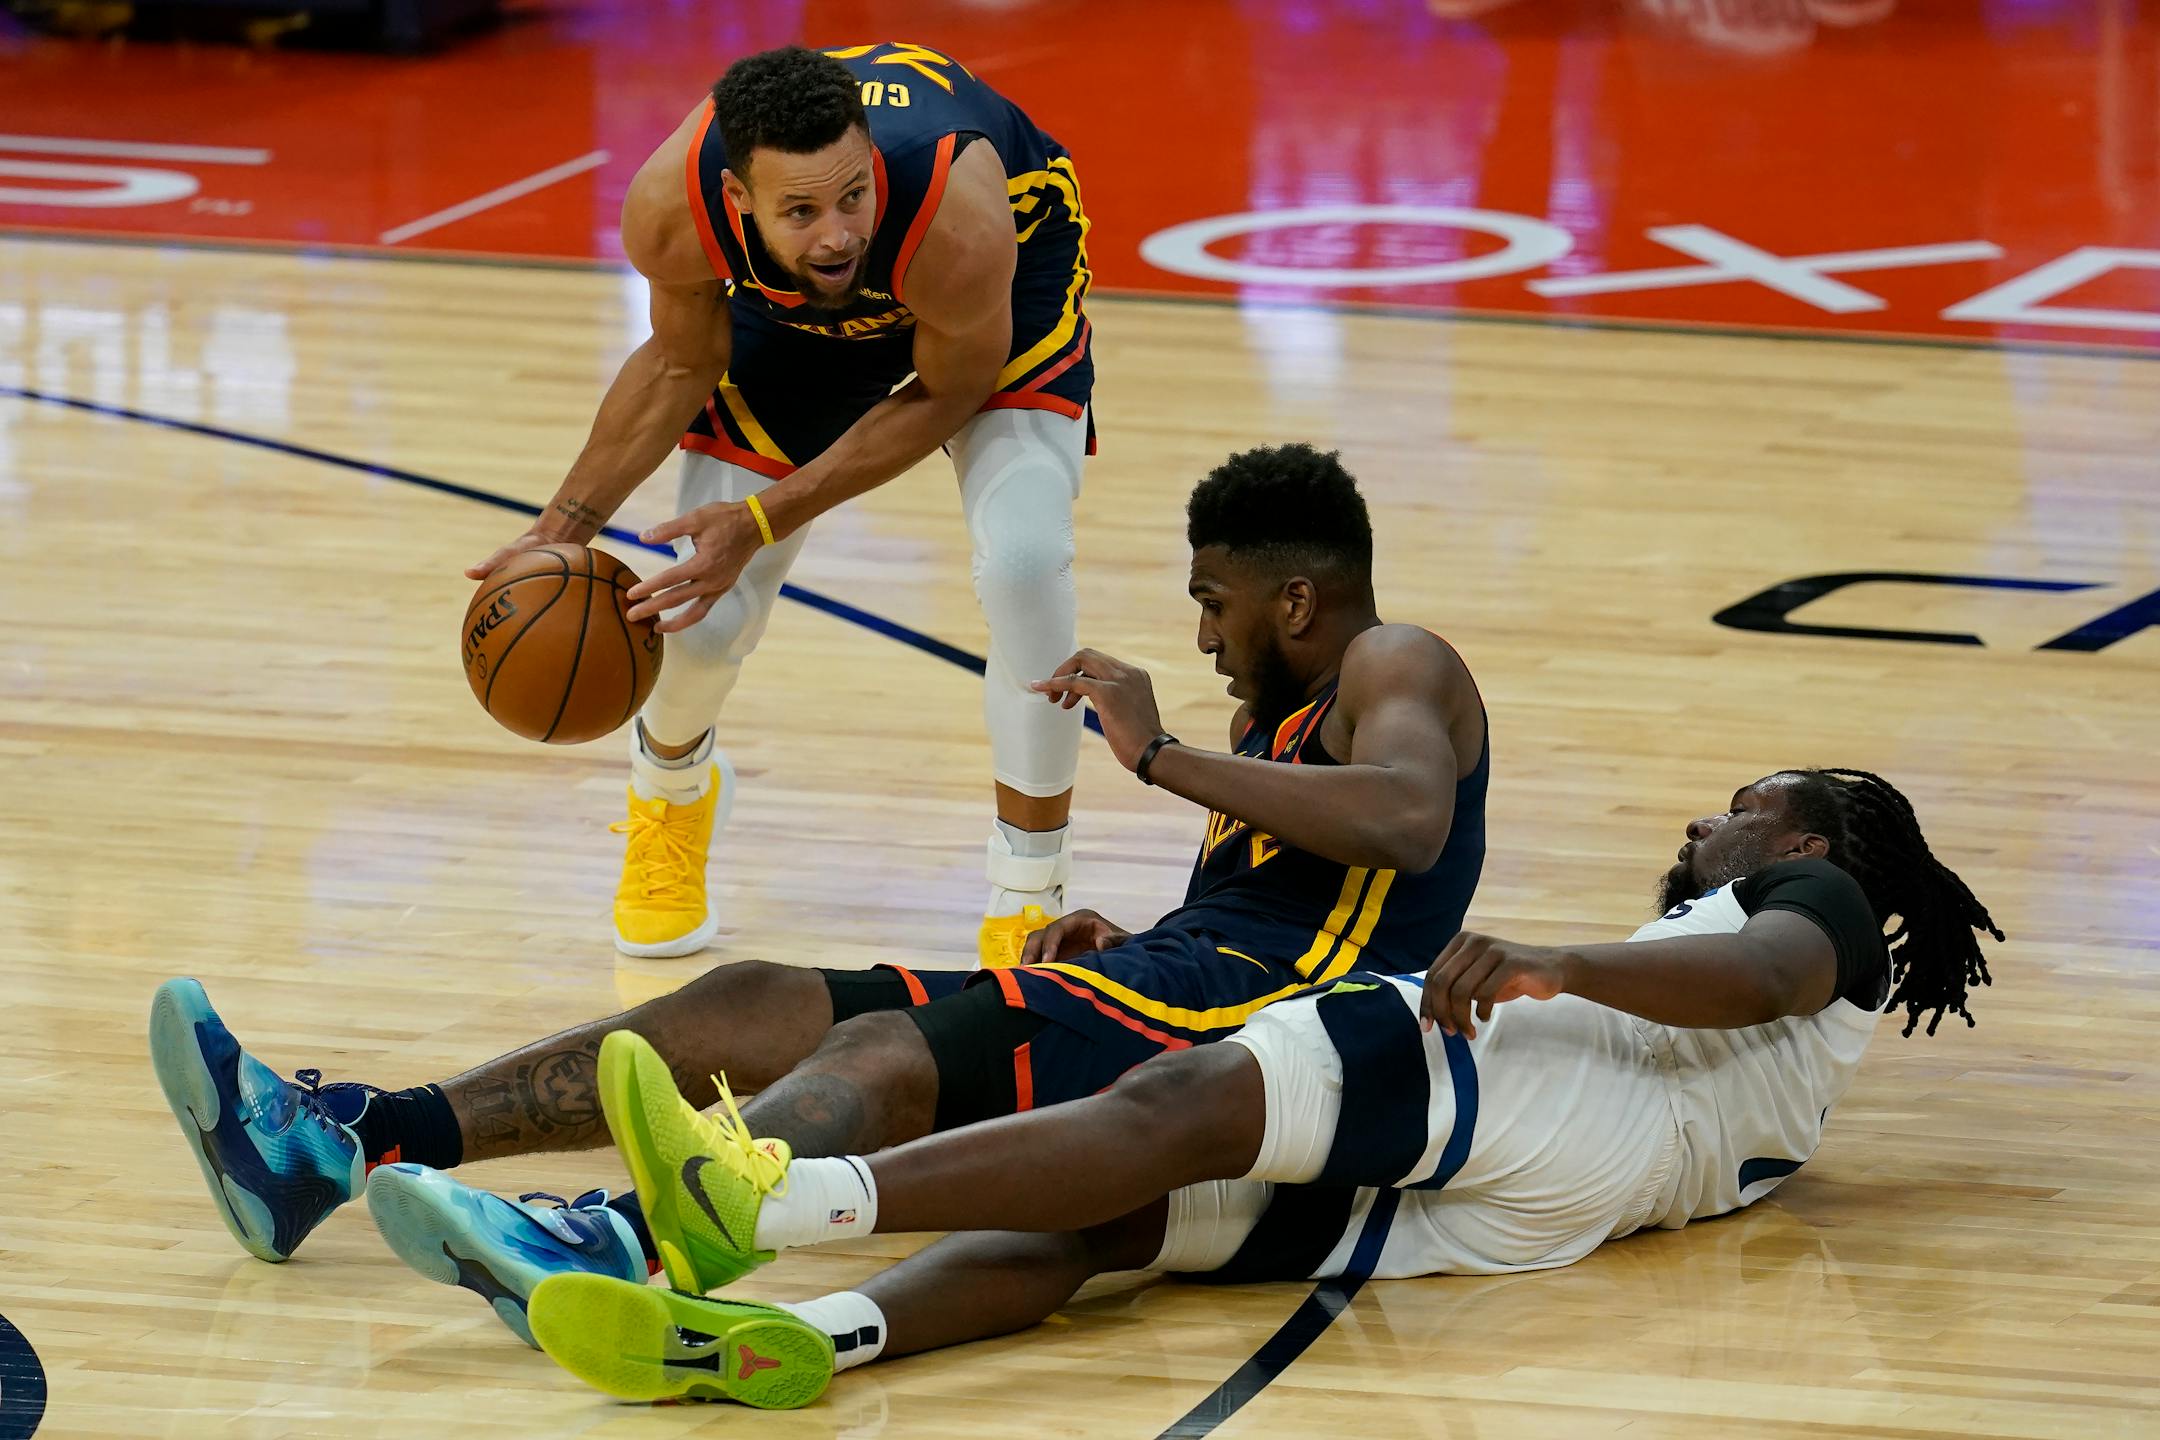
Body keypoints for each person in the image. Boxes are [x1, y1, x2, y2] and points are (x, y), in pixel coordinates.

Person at [148, 444, 1491, 1349]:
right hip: (1187, 981)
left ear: (1299, 601)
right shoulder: (1286, 711)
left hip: (1272, 1037)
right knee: (759, 997)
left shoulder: (1396, 661)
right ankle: (352, 1142)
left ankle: (618, 1239)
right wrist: (1128, 936)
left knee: (882, 1055)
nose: (1201, 635)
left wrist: (1156, 753)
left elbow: (1410, 821)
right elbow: (1303, 890)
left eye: (1217, 603)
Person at [520, 768, 2003, 1409]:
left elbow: (1755, 978)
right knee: (1114, 1223)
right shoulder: (1795, 1087)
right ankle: (801, 1343)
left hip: (1557, 1096)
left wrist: (1553, 959)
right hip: (1559, 1208)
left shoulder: (1816, 901)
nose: (1704, 820)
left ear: (1818, 838)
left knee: (1166, 1110)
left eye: (1741, 807)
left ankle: (766, 1204)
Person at [466, 43, 1099, 966]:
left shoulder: (955, 215)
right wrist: (558, 530)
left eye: (852, 196)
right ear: (738, 203)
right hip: (796, 320)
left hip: (992, 304)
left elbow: (947, 392)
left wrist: (764, 519)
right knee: (702, 621)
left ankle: (1027, 895)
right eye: (801, 210)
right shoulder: (671, 212)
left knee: (1025, 565)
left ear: (873, 163)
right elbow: (682, 363)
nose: (838, 232)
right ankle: (667, 804)